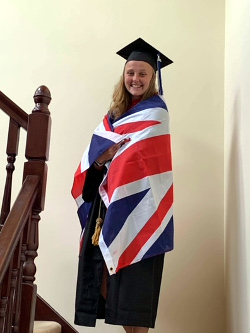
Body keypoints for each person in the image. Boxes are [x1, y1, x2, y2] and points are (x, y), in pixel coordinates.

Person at [71, 38, 174, 333]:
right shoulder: (112, 116)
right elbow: (95, 163)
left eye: (143, 73)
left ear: (153, 78)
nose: (135, 79)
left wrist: (119, 156)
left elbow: (151, 165)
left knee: (135, 289)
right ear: (124, 75)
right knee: (106, 281)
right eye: (131, 73)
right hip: (106, 210)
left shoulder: (156, 114)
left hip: (141, 208)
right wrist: (102, 158)